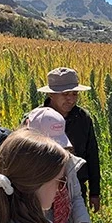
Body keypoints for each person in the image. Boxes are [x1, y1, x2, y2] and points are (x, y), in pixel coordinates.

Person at [38, 67, 101, 212]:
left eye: (74, 94)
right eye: (65, 94)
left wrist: (94, 192)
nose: (71, 99)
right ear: (51, 95)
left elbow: (92, 155)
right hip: (44, 191)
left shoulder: (83, 118)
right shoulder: (37, 118)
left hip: (76, 190)